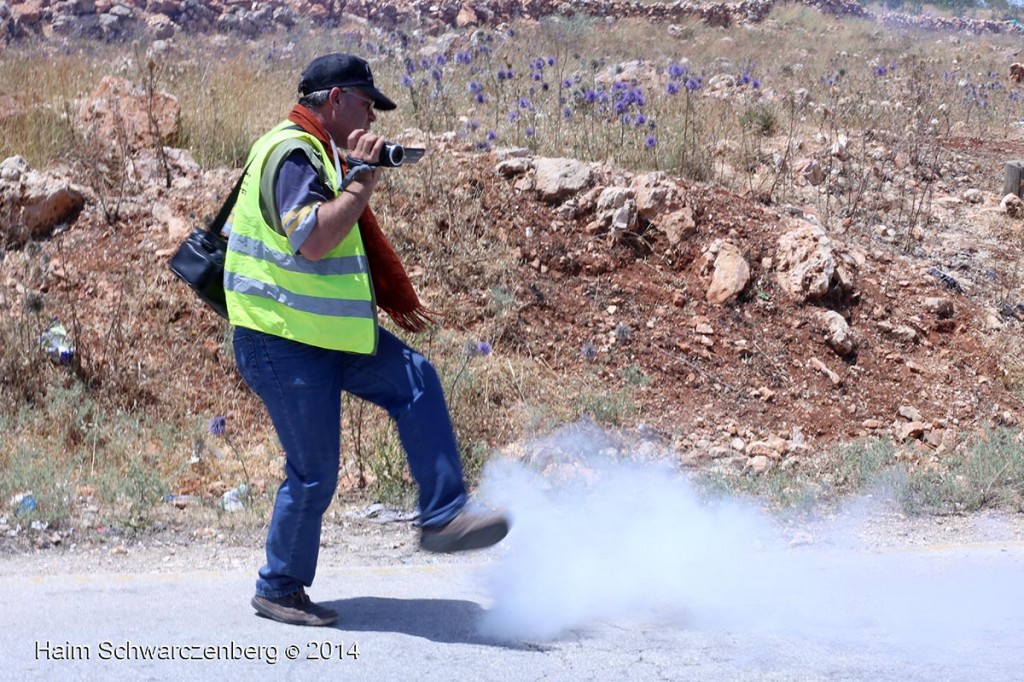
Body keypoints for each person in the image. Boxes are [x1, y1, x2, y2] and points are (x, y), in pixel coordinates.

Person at [223, 53, 509, 627]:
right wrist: (361, 180)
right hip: (280, 337)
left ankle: (443, 516)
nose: (372, 119)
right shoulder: (291, 152)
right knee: (314, 470)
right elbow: (314, 240)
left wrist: (354, 174)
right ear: (335, 101)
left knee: (415, 379)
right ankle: (279, 586)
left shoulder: (320, 152)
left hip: (327, 334)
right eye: (366, 104)